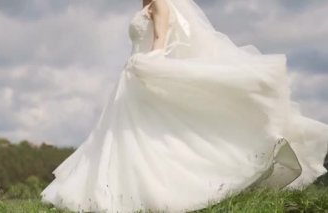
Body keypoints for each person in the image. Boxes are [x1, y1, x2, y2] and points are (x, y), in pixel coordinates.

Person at [40, 0, 328, 212]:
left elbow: (160, 45)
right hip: (129, 80)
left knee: (144, 138)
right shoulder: (146, 3)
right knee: (124, 138)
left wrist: (143, 67)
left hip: (141, 74)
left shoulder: (162, 4)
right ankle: (117, 192)